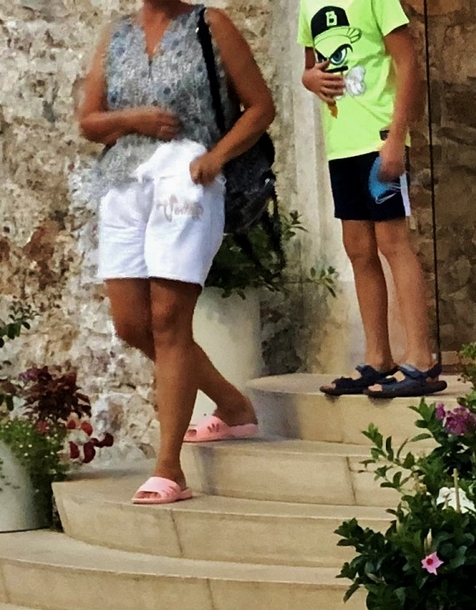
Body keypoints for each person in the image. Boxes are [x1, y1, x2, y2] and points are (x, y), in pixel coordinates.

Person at [76, 0, 276, 505]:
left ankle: (169, 469)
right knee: (132, 324)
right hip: (123, 182)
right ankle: (232, 405)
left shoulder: (211, 25)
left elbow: (260, 106)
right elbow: (90, 122)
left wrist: (216, 157)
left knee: (169, 320)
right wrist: (134, 119)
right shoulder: (116, 35)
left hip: (187, 179)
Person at [301, 0, 442, 399]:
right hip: (340, 146)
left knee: (393, 243)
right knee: (358, 248)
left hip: (378, 140)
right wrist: (308, 79)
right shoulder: (306, 6)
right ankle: (379, 357)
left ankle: (420, 358)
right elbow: (310, 66)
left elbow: (408, 61)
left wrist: (397, 137)